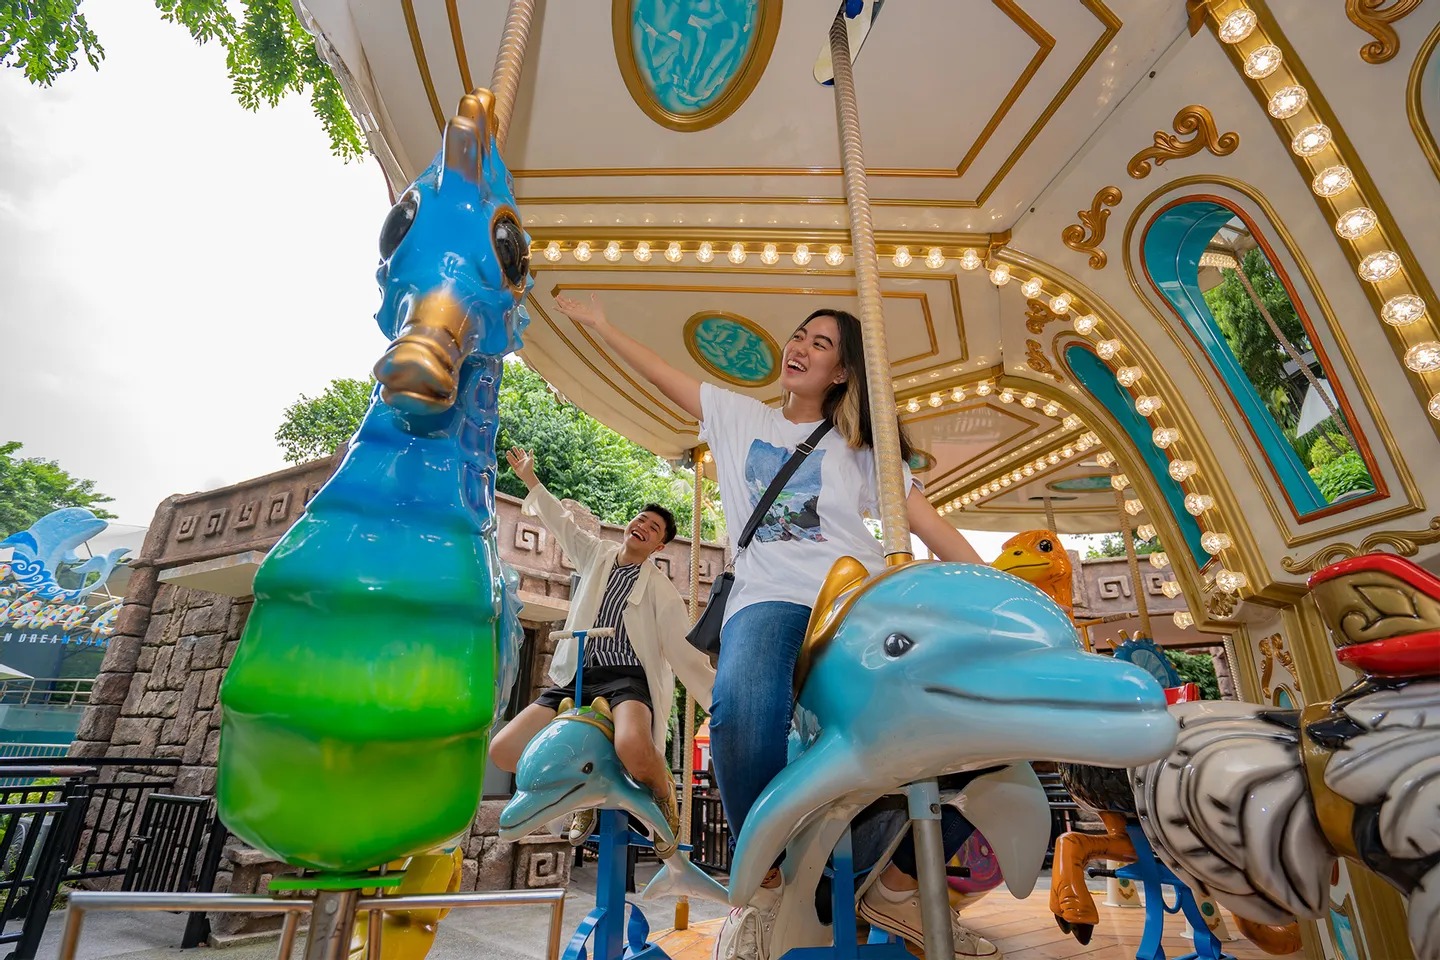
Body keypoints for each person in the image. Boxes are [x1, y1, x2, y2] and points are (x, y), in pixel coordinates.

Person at [553, 295, 993, 959]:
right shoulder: (739, 418)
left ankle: (896, 882)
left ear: (842, 372)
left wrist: (999, 596)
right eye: (800, 336)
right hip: (768, 594)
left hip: (854, 599)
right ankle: (759, 880)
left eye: (821, 345)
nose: (801, 347)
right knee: (740, 711)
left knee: (975, 726)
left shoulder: (862, 450)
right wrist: (605, 326)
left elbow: (925, 523)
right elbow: (664, 377)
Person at [490, 447, 715, 857]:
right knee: (504, 750)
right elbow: (562, 525)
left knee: (632, 744)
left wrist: (720, 703)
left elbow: (684, 651)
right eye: (641, 520)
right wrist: (529, 479)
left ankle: (663, 790)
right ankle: (585, 797)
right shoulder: (596, 555)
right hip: (579, 675)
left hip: (626, 678)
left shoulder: (662, 591)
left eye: (653, 528)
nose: (643, 527)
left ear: (660, 546)